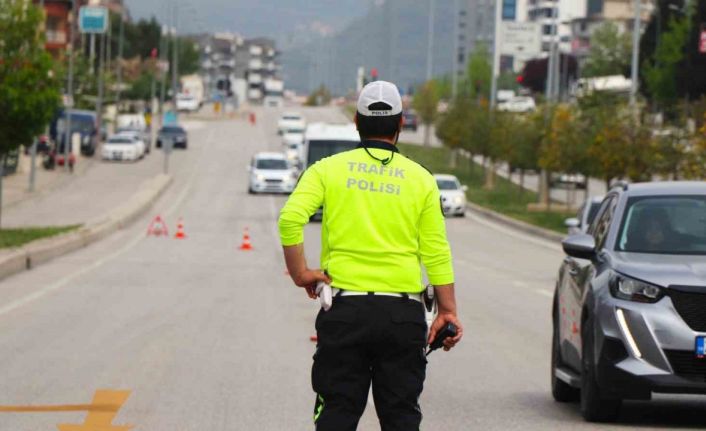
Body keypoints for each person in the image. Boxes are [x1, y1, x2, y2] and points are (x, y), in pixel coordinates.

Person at [278, 81, 463, 430]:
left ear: (357, 122)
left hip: (345, 313)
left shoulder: (326, 169)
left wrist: (301, 273)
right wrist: (448, 311)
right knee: (401, 417)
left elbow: (290, 218)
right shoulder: (422, 180)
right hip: (403, 316)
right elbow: (436, 252)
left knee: (337, 413)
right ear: (401, 123)